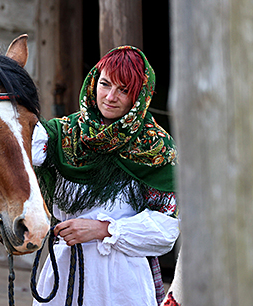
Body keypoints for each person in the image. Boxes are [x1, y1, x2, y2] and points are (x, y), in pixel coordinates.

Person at [31, 46, 180, 306]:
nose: (110, 97)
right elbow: (15, 147)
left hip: (122, 281)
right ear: (93, 82)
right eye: (105, 84)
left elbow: (166, 229)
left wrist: (103, 229)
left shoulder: (155, 149)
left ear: (140, 96)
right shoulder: (62, 135)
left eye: (124, 90)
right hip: (66, 275)